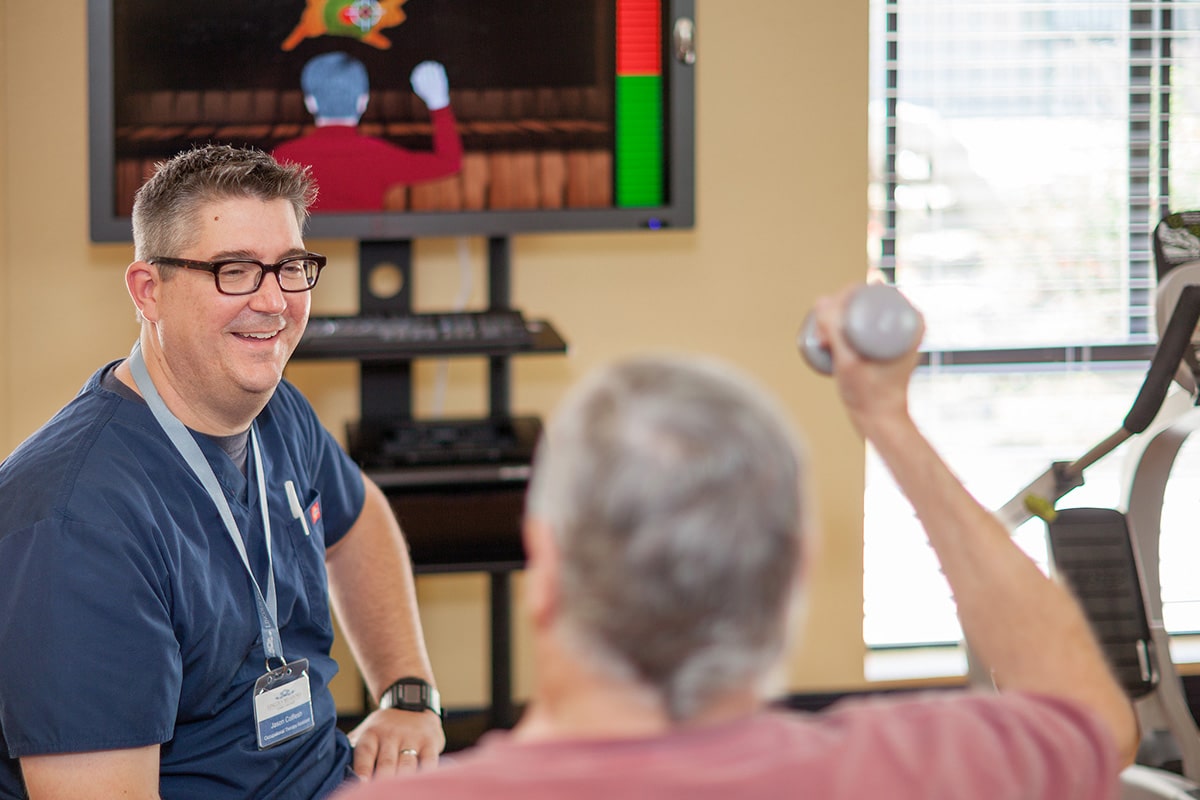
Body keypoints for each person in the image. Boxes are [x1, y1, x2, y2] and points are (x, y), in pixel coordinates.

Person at [336, 286, 1140, 799]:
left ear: (544, 569)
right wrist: (888, 423)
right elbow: (1089, 714)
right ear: (793, 579)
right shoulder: (919, 771)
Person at [0, 144, 445, 799]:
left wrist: (407, 690)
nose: (273, 302)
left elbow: (358, 517)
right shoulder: (75, 523)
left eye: (291, 267)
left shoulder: (278, 411)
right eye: (234, 270)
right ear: (149, 291)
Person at [273, 53, 463, 211]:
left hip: (304, 256)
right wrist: (439, 103)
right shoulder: (379, 154)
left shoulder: (283, 158)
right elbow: (449, 162)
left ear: (310, 102)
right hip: (365, 256)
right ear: (363, 102)